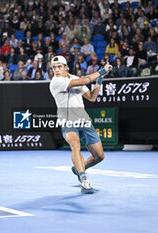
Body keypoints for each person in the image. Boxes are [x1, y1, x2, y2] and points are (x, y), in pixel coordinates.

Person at [49, 55, 112, 194]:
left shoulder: (73, 79)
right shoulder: (56, 82)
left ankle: (78, 168)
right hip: (67, 120)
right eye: (54, 67)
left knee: (99, 156)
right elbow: (84, 80)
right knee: (75, 145)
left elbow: (92, 97)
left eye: (59, 66)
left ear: (66, 67)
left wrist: (100, 79)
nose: (56, 70)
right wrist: (102, 71)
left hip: (84, 120)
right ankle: (84, 179)